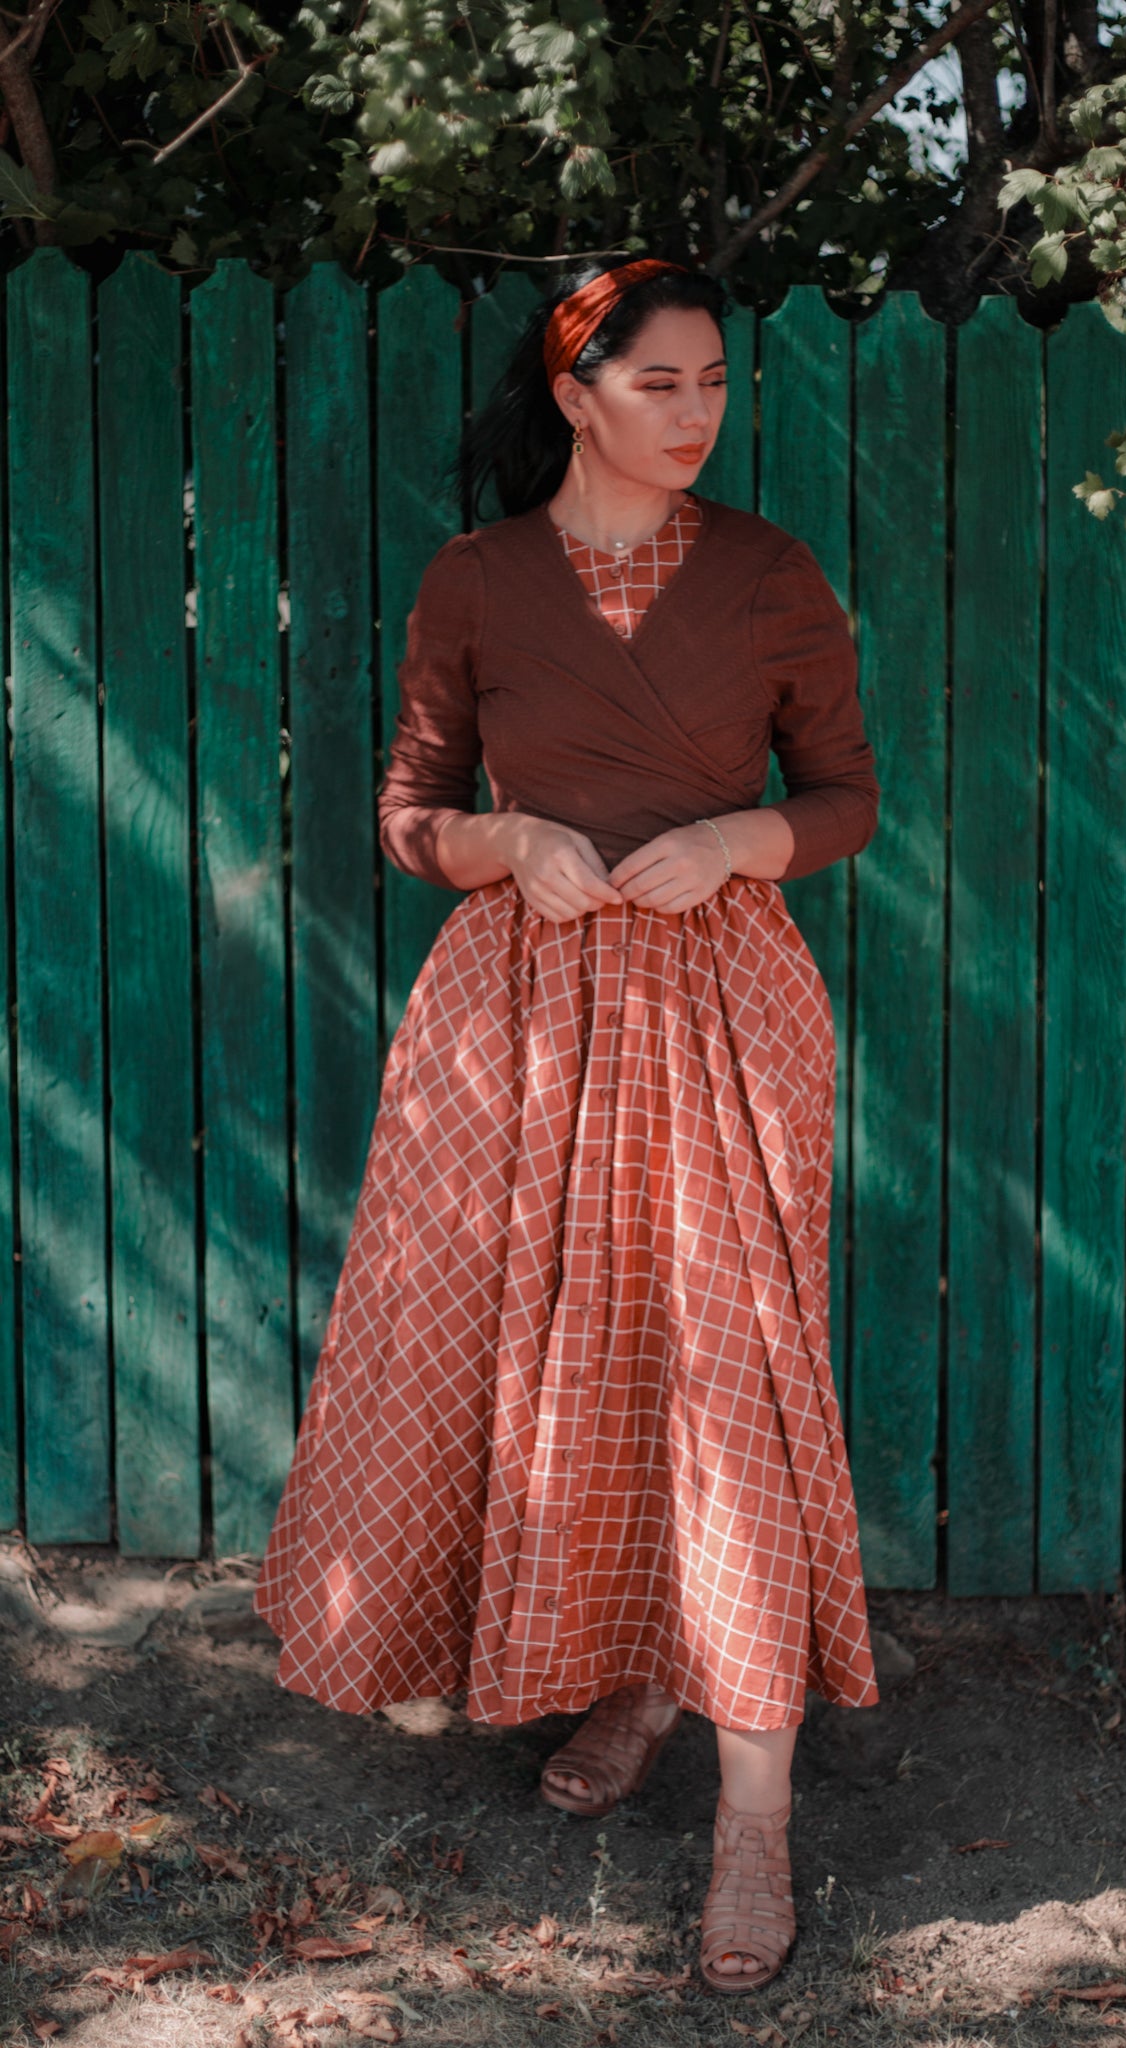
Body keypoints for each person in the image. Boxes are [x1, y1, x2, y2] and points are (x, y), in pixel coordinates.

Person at [253, 254, 883, 1995]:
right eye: (660, 383)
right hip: (514, 1012)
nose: (695, 414)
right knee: (548, 1363)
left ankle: (753, 1817)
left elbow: (844, 797)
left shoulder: (768, 577)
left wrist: (744, 844)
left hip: (720, 1006)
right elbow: (407, 803)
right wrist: (502, 848)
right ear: (574, 394)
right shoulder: (476, 581)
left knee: (729, 1368)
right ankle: (637, 1674)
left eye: (713, 385)